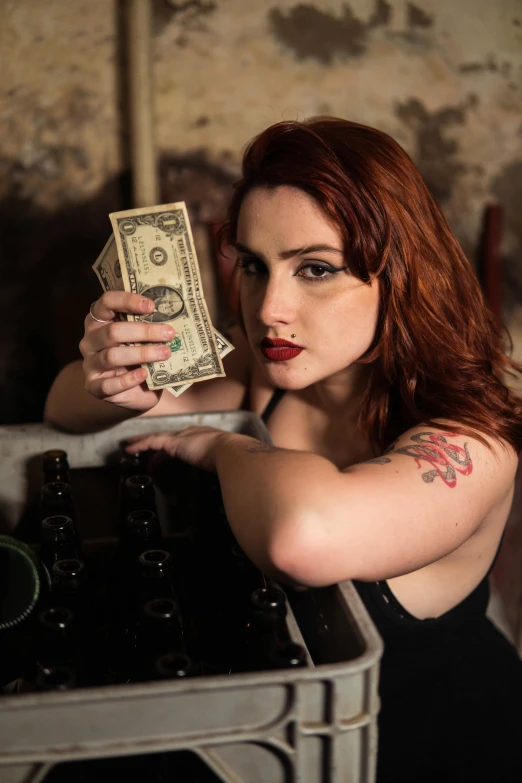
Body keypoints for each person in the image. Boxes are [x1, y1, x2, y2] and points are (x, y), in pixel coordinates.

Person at [45, 118, 522, 781]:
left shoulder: (473, 440)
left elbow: (303, 536)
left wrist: (219, 445)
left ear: (401, 273)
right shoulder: (261, 372)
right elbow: (65, 407)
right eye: (253, 264)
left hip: (431, 750)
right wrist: (109, 373)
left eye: (316, 269)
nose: (271, 306)